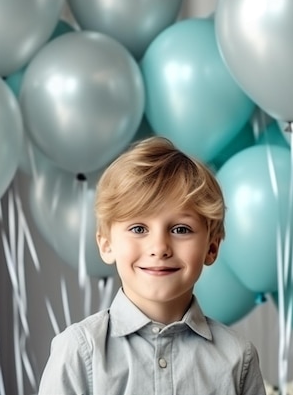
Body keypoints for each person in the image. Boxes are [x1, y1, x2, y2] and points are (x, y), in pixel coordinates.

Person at [38, 136, 266, 395]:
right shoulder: (78, 351)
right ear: (106, 245)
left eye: (181, 229)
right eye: (138, 228)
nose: (159, 247)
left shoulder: (238, 358)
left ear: (211, 247)